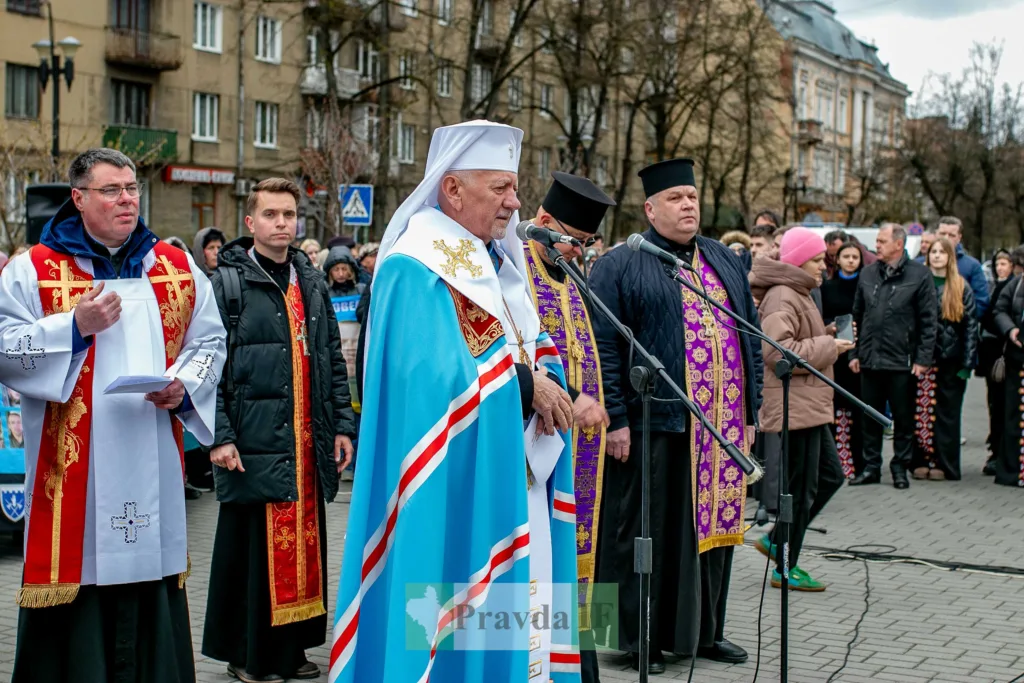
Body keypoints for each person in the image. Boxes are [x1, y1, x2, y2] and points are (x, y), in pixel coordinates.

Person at [329, 121, 581, 682]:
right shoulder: (414, 266)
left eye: (514, 188)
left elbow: (529, 338)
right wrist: (523, 385)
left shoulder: (498, 262)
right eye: (501, 188)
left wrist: (550, 375)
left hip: (517, 479)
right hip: (454, 485)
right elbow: (430, 378)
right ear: (452, 190)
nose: (516, 204)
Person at [1, 148, 226, 683]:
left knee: (148, 574)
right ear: (78, 198)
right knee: (79, 575)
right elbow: (6, 349)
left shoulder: (172, 267)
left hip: (151, 454)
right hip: (71, 474)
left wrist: (185, 384)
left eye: (131, 188)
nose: (127, 199)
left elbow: (211, 339)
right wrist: (72, 326)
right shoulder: (34, 270)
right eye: (111, 190)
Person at [590, 158, 763, 673]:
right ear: (650, 208)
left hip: (722, 427)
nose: (688, 205)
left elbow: (748, 334)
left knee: (714, 535)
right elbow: (602, 345)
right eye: (675, 198)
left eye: (692, 196)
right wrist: (615, 417)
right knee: (648, 533)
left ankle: (703, 633)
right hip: (654, 426)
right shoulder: (622, 263)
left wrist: (750, 409)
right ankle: (637, 638)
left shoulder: (721, 257)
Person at [202, 178, 357, 683]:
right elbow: (209, 368)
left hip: (304, 438)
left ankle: (291, 650)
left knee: (305, 547)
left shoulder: (308, 279)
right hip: (252, 439)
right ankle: (249, 655)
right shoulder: (227, 282)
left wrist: (341, 426)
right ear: (251, 223)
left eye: (289, 215)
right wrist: (220, 435)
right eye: (270, 215)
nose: (281, 224)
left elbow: (333, 359)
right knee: (253, 553)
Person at [522, 171, 615, 683]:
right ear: (543, 223)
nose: (579, 253)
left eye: (586, 244)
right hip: (535, 448)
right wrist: (570, 397)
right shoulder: (517, 273)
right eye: (573, 242)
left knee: (581, 561)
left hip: (581, 451)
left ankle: (582, 667)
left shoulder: (570, 277)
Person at [749, 228, 849, 591]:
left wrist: (826, 334)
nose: (825, 265)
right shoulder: (782, 295)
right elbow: (778, 352)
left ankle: (777, 542)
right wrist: (827, 346)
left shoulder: (798, 291)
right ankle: (785, 566)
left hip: (809, 405)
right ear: (799, 259)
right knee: (801, 489)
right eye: (819, 258)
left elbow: (798, 340)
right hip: (796, 407)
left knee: (829, 477)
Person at [849, 223, 938, 489]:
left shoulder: (919, 275)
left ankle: (900, 467)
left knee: (903, 417)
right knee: (870, 417)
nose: (877, 245)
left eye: (882, 240)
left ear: (898, 244)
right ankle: (871, 467)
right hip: (870, 359)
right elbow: (857, 316)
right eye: (877, 240)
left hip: (903, 361)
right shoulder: (867, 273)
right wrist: (855, 352)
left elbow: (928, 320)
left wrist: (923, 359)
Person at [910, 237, 978, 481]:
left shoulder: (960, 287)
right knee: (923, 412)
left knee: (947, 415)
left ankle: (944, 463)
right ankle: (921, 460)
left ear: (950, 257)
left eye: (942, 252)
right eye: (933, 252)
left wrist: (967, 365)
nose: (937, 256)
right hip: (924, 360)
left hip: (952, 362)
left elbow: (971, 328)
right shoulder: (919, 283)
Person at [821, 242, 864, 478]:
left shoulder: (864, 286)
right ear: (837, 260)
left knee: (856, 410)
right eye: (845, 256)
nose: (850, 260)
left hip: (855, 356)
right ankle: (839, 461)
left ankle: (858, 462)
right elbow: (821, 315)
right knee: (836, 410)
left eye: (854, 256)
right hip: (834, 353)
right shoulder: (828, 287)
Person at [980, 249, 1013, 475]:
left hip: (1008, 350)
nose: (1001, 268)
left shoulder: (1011, 287)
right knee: (995, 401)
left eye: (1005, 263)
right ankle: (996, 448)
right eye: (998, 264)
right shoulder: (993, 287)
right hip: (993, 353)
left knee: (1006, 403)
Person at [993, 266, 1024, 488]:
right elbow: (999, 310)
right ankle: (1012, 471)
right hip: (1018, 359)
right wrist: (1010, 329)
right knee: (1013, 415)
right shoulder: (1017, 284)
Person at [935, 216, 989, 316]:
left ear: (959, 238)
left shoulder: (972, 266)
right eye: (942, 233)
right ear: (936, 233)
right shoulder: (920, 264)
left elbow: (981, 302)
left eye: (951, 235)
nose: (946, 238)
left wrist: (961, 322)